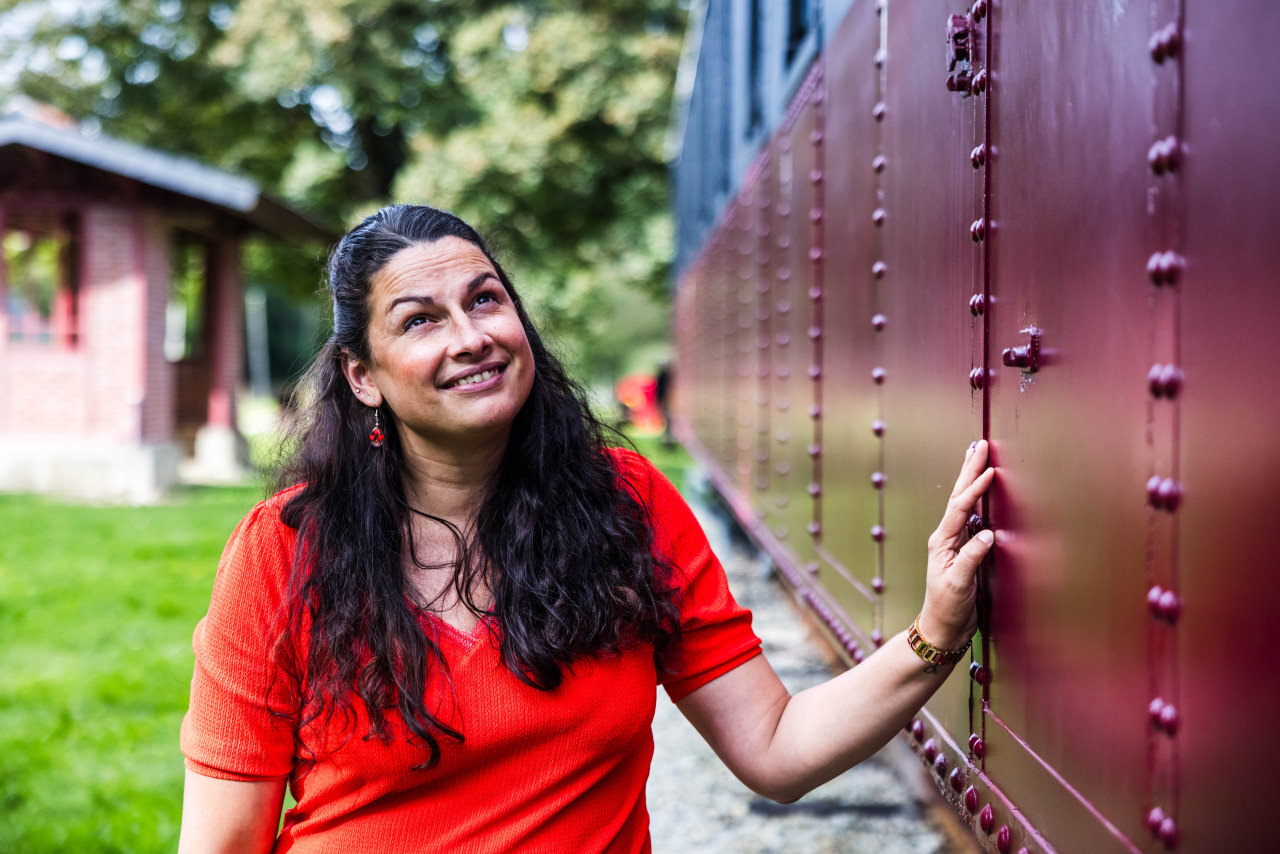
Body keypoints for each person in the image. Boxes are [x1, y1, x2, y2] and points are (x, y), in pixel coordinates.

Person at [177, 204, 995, 853]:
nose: (472, 339)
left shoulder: (623, 504)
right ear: (364, 377)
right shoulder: (284, 550)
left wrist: (935, 633)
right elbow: (221, 841)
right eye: (421, 320)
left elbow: (776, 750)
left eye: (485, 300)